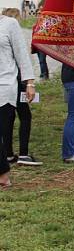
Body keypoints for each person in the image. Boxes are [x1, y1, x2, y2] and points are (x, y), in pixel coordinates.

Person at [0, 11, 36, 187]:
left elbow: (22, 55)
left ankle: (3, 175)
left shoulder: (9, 24)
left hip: (5, 86)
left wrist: (30, 83)